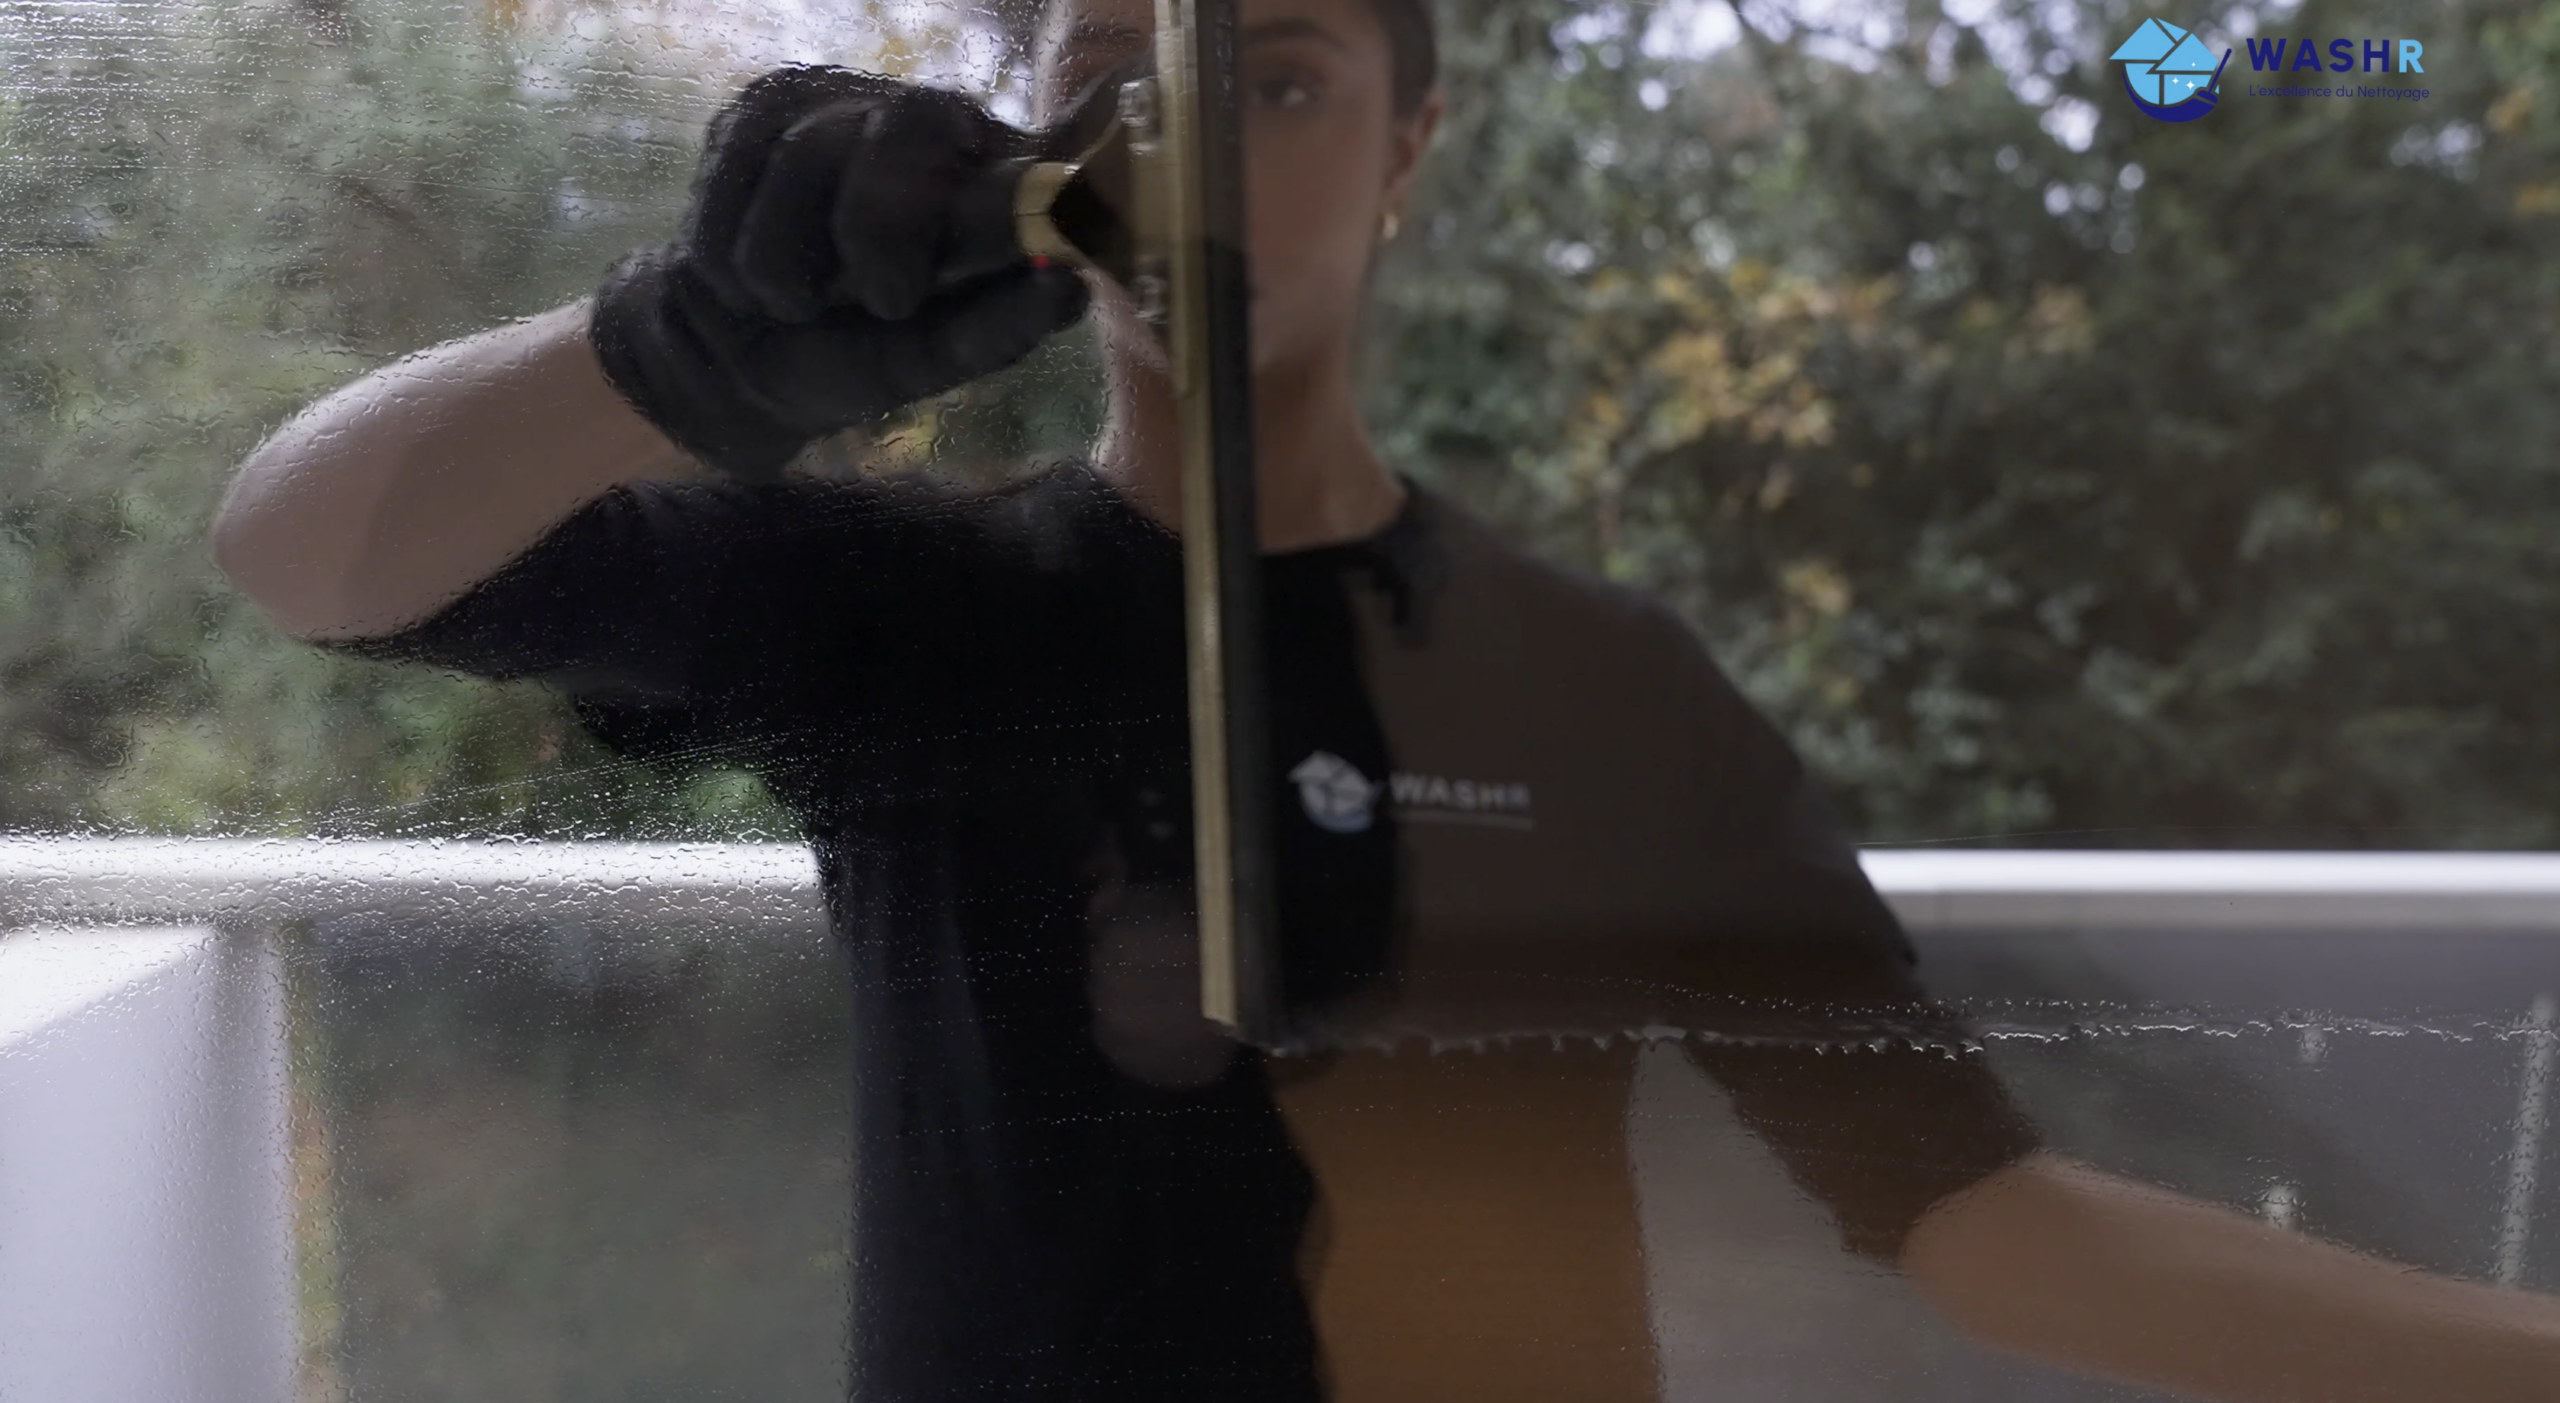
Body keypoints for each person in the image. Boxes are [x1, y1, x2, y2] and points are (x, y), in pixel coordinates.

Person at [212, 0, 2560, 1397]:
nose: (1181, 153)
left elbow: (1975, 1218)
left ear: (1405, 150)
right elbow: (310, 556)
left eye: (1279, 80)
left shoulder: (1603, 684)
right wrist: (675, 354)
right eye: (1112, 86)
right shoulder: (913, 600)